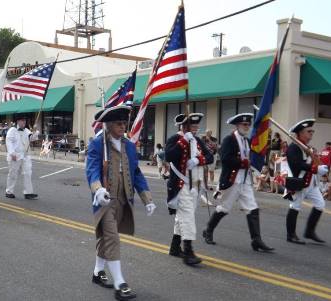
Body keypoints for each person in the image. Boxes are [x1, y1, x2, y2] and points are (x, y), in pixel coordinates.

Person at [86, 106, 156, 301]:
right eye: (118, 123)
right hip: (104, 201)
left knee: (105, 237)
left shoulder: (129, 146)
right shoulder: (98, 144)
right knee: (112, 238)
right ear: (108, 125)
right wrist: (98, 189)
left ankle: (97, 272)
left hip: (124, 200)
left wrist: (147, 199)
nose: (122, 126)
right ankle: (120, 283)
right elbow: (91, 169)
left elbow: (136, 173)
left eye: (124, 123)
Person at [202, 113, 274, 252]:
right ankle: (208, 230)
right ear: (237, 125)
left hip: (245, 180)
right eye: (244, 124)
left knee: (252, 208)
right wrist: (242, 162)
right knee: (224, 208)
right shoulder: (229, 139)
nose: (247, 127)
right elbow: (225, 159)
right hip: (232, 179)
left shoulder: (246, 141)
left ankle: (256, 240)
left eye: (248, 124)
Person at [165, 113, 213, 265]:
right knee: (187, 217)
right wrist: (183, 141)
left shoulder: (197, 140)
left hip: (195, 186)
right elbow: (169, 156)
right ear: (184, 127)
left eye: (197, 126)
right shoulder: (175, 139)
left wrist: (197, 160)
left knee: (184, 216)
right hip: (181, 185)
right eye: (193, 126)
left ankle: (174, 247)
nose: (196, 129)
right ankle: (188, 252)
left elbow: (210, 156)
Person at [284, 119, 329, 244]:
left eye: (312, 131)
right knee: (295, 207)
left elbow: (315, 163)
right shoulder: (294, 148)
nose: (311, 134)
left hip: (311, 184)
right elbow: (297, 164)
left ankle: (309, 231)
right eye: (309, 131)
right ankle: (291, 235)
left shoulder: (308, 148)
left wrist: (321, 167)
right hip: (299, 182)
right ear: (300, 133)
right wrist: (315, 168)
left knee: (320, 205)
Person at [5, 114, 39, 200]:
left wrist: (35, 131)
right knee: (13, 174)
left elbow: (33, 139)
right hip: (15, 156)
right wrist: (12, 153)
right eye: (22, 120)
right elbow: (9, 142)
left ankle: (28, 192)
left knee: (28, 173)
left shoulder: (27, 131)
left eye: (25, 120)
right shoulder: (12, 130)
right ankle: (9, 191)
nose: (24, 122)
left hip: (25, 156)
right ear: (18, 121)